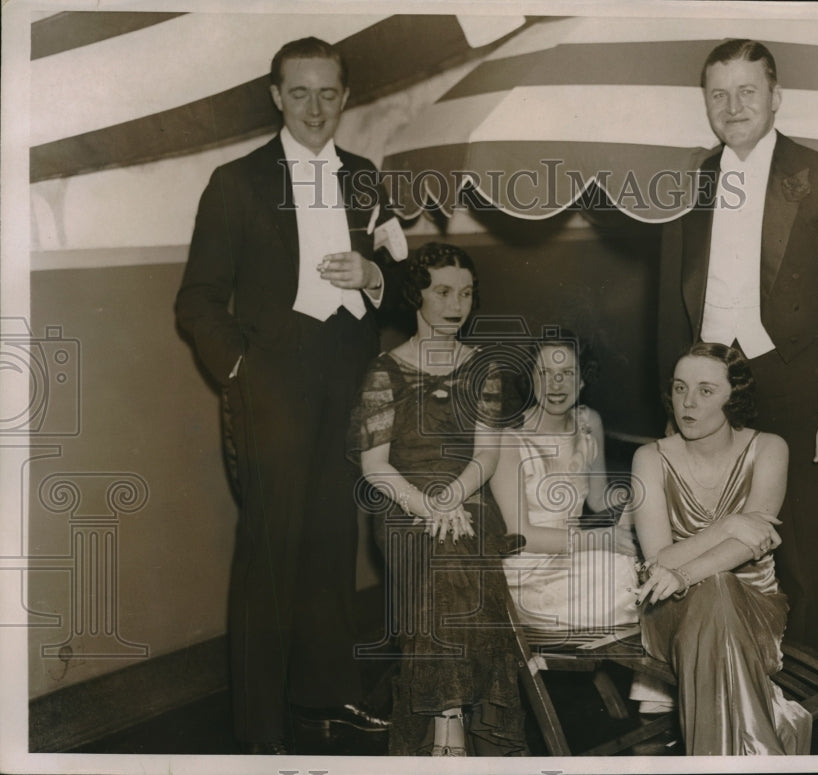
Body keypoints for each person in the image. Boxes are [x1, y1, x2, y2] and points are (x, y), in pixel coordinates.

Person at [174, 38, 404, 753]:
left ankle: (325, 695)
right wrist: (245, 371)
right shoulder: (236, 181)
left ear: (344, 97)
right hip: (272, 386)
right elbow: (198, 302)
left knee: (334, 545)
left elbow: (405, 282)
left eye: (328, 93)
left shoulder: (366, 179)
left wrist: (372, 276)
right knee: (270, 556)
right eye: (299, 92)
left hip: (348, 378)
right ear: (276, 95)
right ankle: (261, 730)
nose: (314, 107)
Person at [658, 39, 818, 650]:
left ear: (776, 98)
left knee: (804, 551)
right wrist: (673, 406)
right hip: (710, 391)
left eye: (747, 91)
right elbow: (668, 306)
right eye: (718, 94)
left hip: (802, 390)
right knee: (710, 539)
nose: (733, 106)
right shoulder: (688, 181)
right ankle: (731, 689)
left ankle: (802, 706)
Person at [351, 242, 526, 757]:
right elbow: (374, 467)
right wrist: (426, 505)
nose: (457, 305)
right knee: (437, 549)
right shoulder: (385, 371)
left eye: (467, 293)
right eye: (444, 292)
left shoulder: (483, 368)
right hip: (404, 502)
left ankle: (446, 728)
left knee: (453, 549)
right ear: (417, 296)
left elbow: (486, 458)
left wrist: (450, 496)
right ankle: (454, 722)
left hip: (467, 493)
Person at [630, 342, 811, 755]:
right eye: (679, 389)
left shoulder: (769, 448)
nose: (688, 403)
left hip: (754, 607)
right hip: (668, 609)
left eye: (706, 391)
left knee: (717, 590)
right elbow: (657, 559)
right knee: (713, 592)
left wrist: (682, 571)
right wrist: (729, 525)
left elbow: (750, 547)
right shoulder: (650, 459)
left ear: (736, 398)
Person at [491, 336, 639, 633]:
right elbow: (522, 536)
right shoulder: (508, 440)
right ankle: (645, 680)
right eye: (545, 373)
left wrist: (651, 503)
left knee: (645, 572)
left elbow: (599, 499)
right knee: (625, 576)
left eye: (568, 373)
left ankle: (644, 681)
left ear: (583, 379)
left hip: (576, 558)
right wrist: (602, 540)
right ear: (530, 378)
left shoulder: (587, 423)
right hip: (530, 574)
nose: (556, 384)